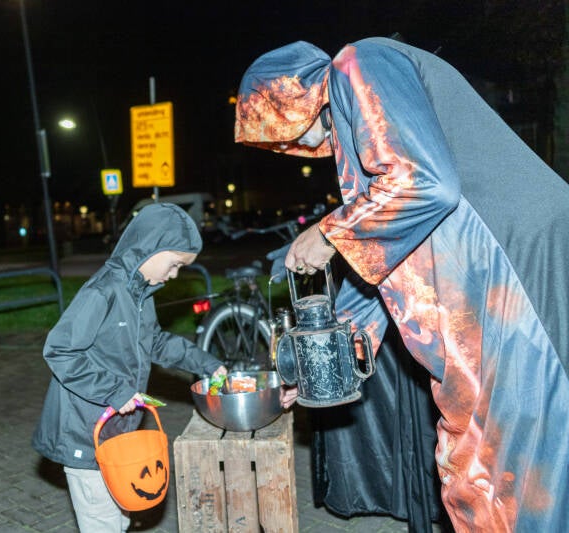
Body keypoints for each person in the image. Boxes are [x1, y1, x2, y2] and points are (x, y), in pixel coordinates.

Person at [235, 37, 569, 531]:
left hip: (517, 278)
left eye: (278, 132)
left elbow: (428, 185)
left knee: (509, 469)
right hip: (484, 300)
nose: (285, 148)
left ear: (290, 96)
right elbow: (386, 259)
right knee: (489, 464)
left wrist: (328, 234)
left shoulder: (360, 63)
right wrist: (319, 363)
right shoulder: (354, 132)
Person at [31, 202, 226, 532]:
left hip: (115, 432)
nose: (174, 274)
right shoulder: (103, 291)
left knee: (119, 516)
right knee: (103, 522)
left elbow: (156, 342)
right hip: (84, 433)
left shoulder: (140, 294)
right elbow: (59, 350)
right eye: (175, 264)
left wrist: (206, 363)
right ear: (151, 247)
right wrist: (115, 391)